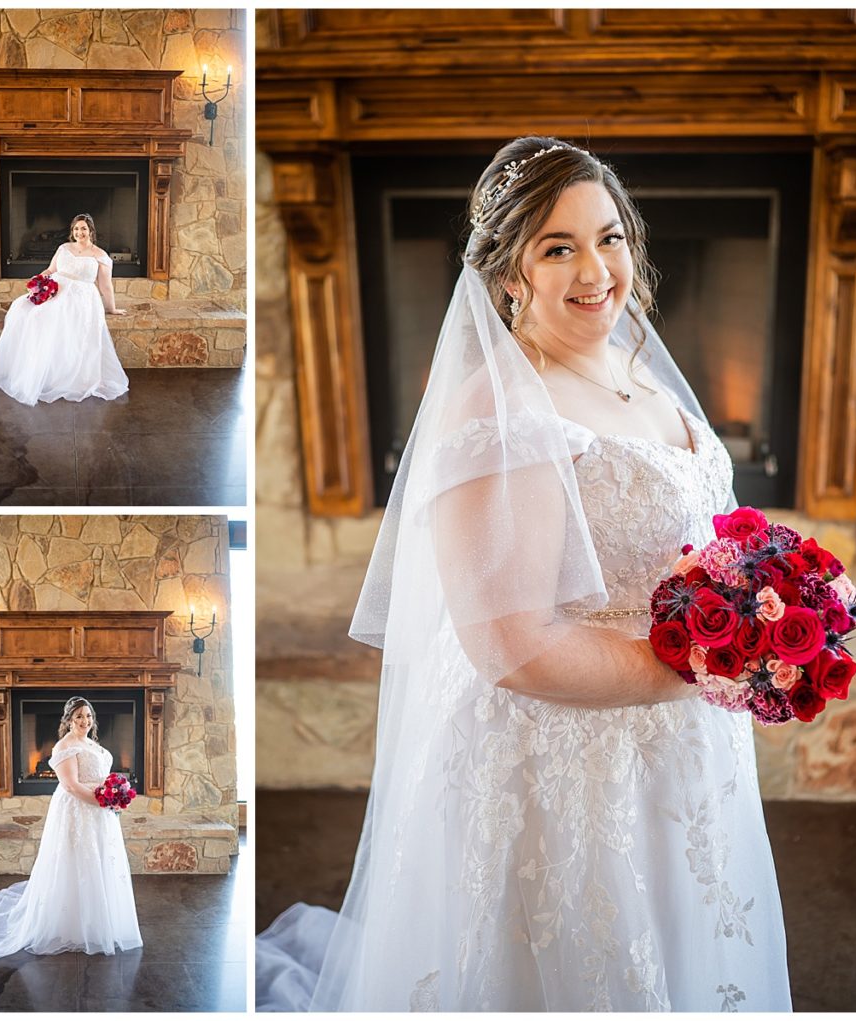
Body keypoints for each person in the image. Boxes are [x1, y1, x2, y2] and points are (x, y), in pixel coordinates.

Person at [257, 136, 792, 1011]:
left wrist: (768, 603)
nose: (597, 269)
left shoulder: (642, 372)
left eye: (610, 237)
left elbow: (700, 535)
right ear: (511, 275)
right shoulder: (502, 412)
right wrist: (706, 663)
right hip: (562, 763)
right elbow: (511, 644)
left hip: (680, 745)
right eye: (558, 246)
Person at [0, 696, 142, 959]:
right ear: (69, 719)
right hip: (79, 811)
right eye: (79, 716)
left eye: (89, 716)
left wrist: (115, 796)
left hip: (100, 812)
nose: (85, 721)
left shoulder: (90, 743)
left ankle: (99, 922)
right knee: (78, 862)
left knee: (100, 860)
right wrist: (104, 801)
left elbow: (99, 776)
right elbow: (71, 786)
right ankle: (71, 926)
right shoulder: (64, 747)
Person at [0, 213, 130, 406]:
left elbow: (105, 286)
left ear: (91, 231)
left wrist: (112, 308)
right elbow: (51, 270)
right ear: (72, 231)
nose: (79, 232)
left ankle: (67, 375)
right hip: (56, 289)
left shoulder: (100, 255)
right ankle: (33, 369)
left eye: (83, 228)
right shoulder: (64, 248)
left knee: (61, 317)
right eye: (76, 229)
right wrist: (40, 282)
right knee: (23, 310)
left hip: (82, 296)